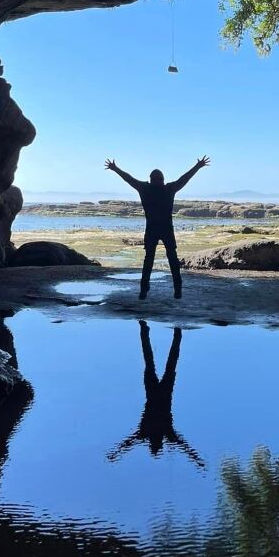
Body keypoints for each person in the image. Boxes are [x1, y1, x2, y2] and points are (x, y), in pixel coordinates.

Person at [105, 155, 210, 299]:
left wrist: (115, 169)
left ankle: (145, 289)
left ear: (151, 179)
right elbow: (184, 179)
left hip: (153, 229)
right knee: (170, 259)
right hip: (165, 229)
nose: (158, 181)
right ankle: (175, 289)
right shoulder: (168, 188)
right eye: (158, 179)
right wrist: (197, 166)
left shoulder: (145, 188)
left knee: (151, 260)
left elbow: (129, 179)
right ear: (162, 180)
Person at [106, 321, 204, 468]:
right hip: (160, 392)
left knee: (163, 363)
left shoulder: (149, 433)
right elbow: (184, 446)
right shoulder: (158, 433)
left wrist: (117, 453)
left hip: (158, 392)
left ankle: (171, 333)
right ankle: (158, 331)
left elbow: (128, 443)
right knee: (154, 362)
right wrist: (196, 459)